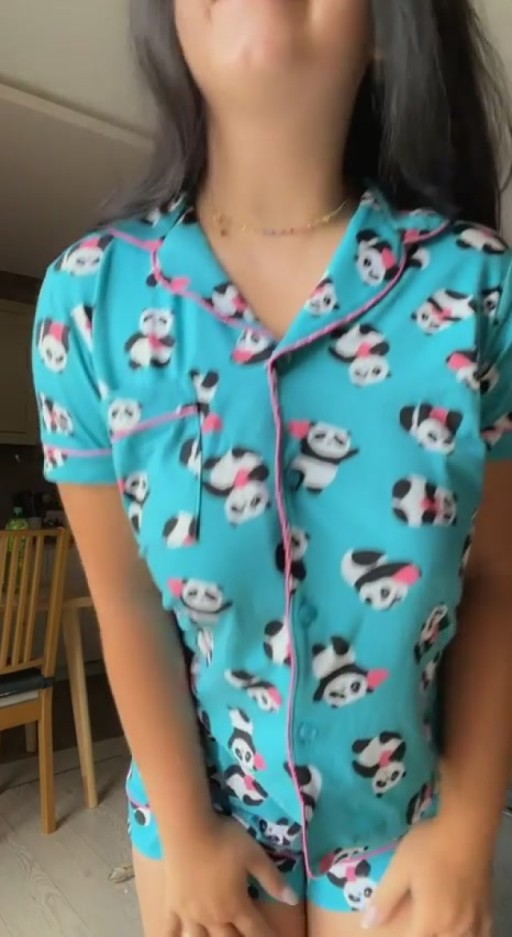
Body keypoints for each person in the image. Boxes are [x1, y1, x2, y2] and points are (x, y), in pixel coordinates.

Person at [32, 1, 512, 935]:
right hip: (199, 812)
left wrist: (466, 829)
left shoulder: (478, 291)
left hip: (406, 818)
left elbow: (497, 579)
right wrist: (187, 831)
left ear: (390, 29)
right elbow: (125, 600)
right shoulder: (88, 300)